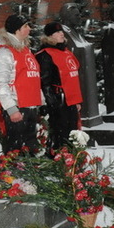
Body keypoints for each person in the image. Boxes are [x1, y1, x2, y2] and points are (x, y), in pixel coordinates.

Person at [0, 14, 44, 155]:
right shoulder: (5, 53)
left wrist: (40, 101)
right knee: (16, 150)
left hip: (30, 106)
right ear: (17, 30)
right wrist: (11, 108)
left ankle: (30, 175)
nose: (29, 29)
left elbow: (33, 78)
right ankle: (13, 176)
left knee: (30, 148)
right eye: (26, 26)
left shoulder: (26, 51)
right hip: (17, 108)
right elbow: (0, 83)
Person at [35, 21, 83, 153]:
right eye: (57, 32)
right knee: (60, 135)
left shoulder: (66, 52)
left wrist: (77, 100)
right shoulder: (45, 55)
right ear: (49, 36)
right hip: (58, 100)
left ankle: (71, 160)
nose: (61, 34)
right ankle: (59, 159)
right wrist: (51, 102)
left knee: (72, 134)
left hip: (70, 101)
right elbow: (44, 81)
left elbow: (73, 78)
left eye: (61, 31)